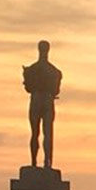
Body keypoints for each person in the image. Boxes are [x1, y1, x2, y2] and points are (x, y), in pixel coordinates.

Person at [22, 40, 62, 169]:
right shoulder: (54, 71)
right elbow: (56, 90)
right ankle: (47, 162)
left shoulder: (32, 70)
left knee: (35, 133)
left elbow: (27, 87)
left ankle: (35, 162)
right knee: (47, 133)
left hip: (37, 99)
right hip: (47, 100)